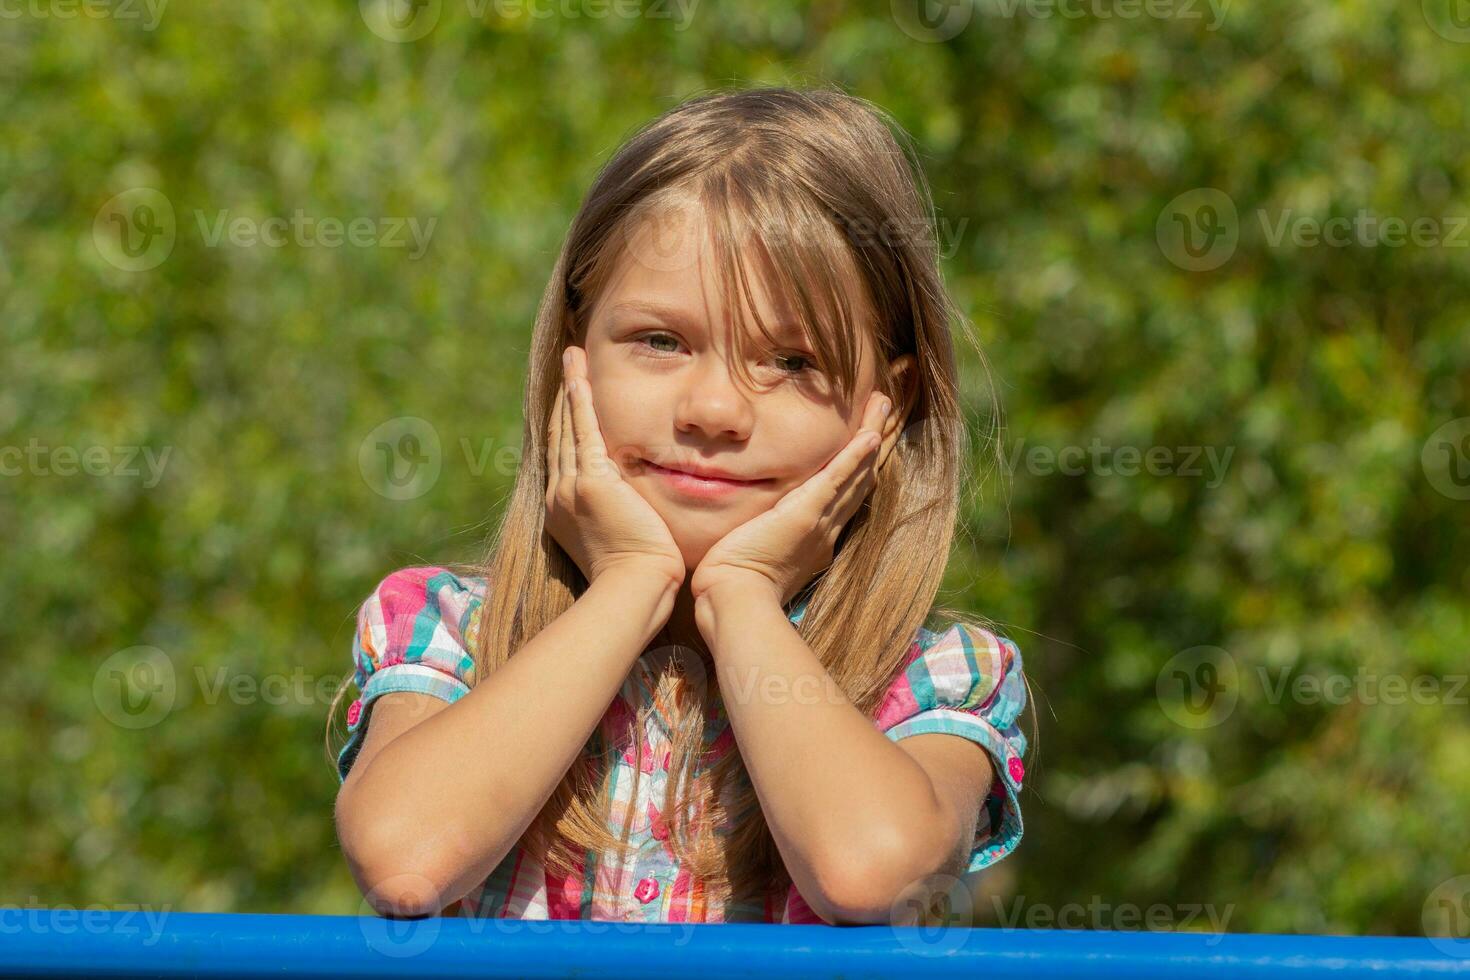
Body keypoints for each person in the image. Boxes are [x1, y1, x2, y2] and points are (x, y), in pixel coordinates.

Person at [328, 85, 1032, 926]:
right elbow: (407, 861)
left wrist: (742, 594)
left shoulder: (937, 680)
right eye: (661, 341)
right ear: (573, 355)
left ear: (890, 405)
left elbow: (868, 870)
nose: (713, 410)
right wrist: (630, 580)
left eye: (794, 362)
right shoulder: (450, 631)